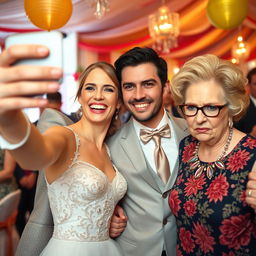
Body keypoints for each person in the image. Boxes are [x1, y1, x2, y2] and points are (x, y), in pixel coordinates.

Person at [0, 47, 127, 256]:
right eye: (90, 88)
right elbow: (35, 155)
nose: (98, 96)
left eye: (109, 89)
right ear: (80, 96)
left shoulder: (109, 148)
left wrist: (113, 214)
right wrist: (10, 119)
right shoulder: (65, 137)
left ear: (119, 101)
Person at [169, 54, 256, 255]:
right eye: (191, 107)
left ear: (231, 107)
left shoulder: (252, 155)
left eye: (210, 107)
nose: (199, 119)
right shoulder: (186, 147)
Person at [107, 47, 188, 256]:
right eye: (129, 87)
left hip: (188, 247)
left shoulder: (193, 133)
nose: (138, 95)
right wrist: (107, 217)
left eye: (148, 84)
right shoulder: (110, 146)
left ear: (166, 87)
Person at [234, 67, 256, 137]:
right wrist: (251, 135)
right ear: (248, 86)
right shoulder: (240, 108)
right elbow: (233, 136)